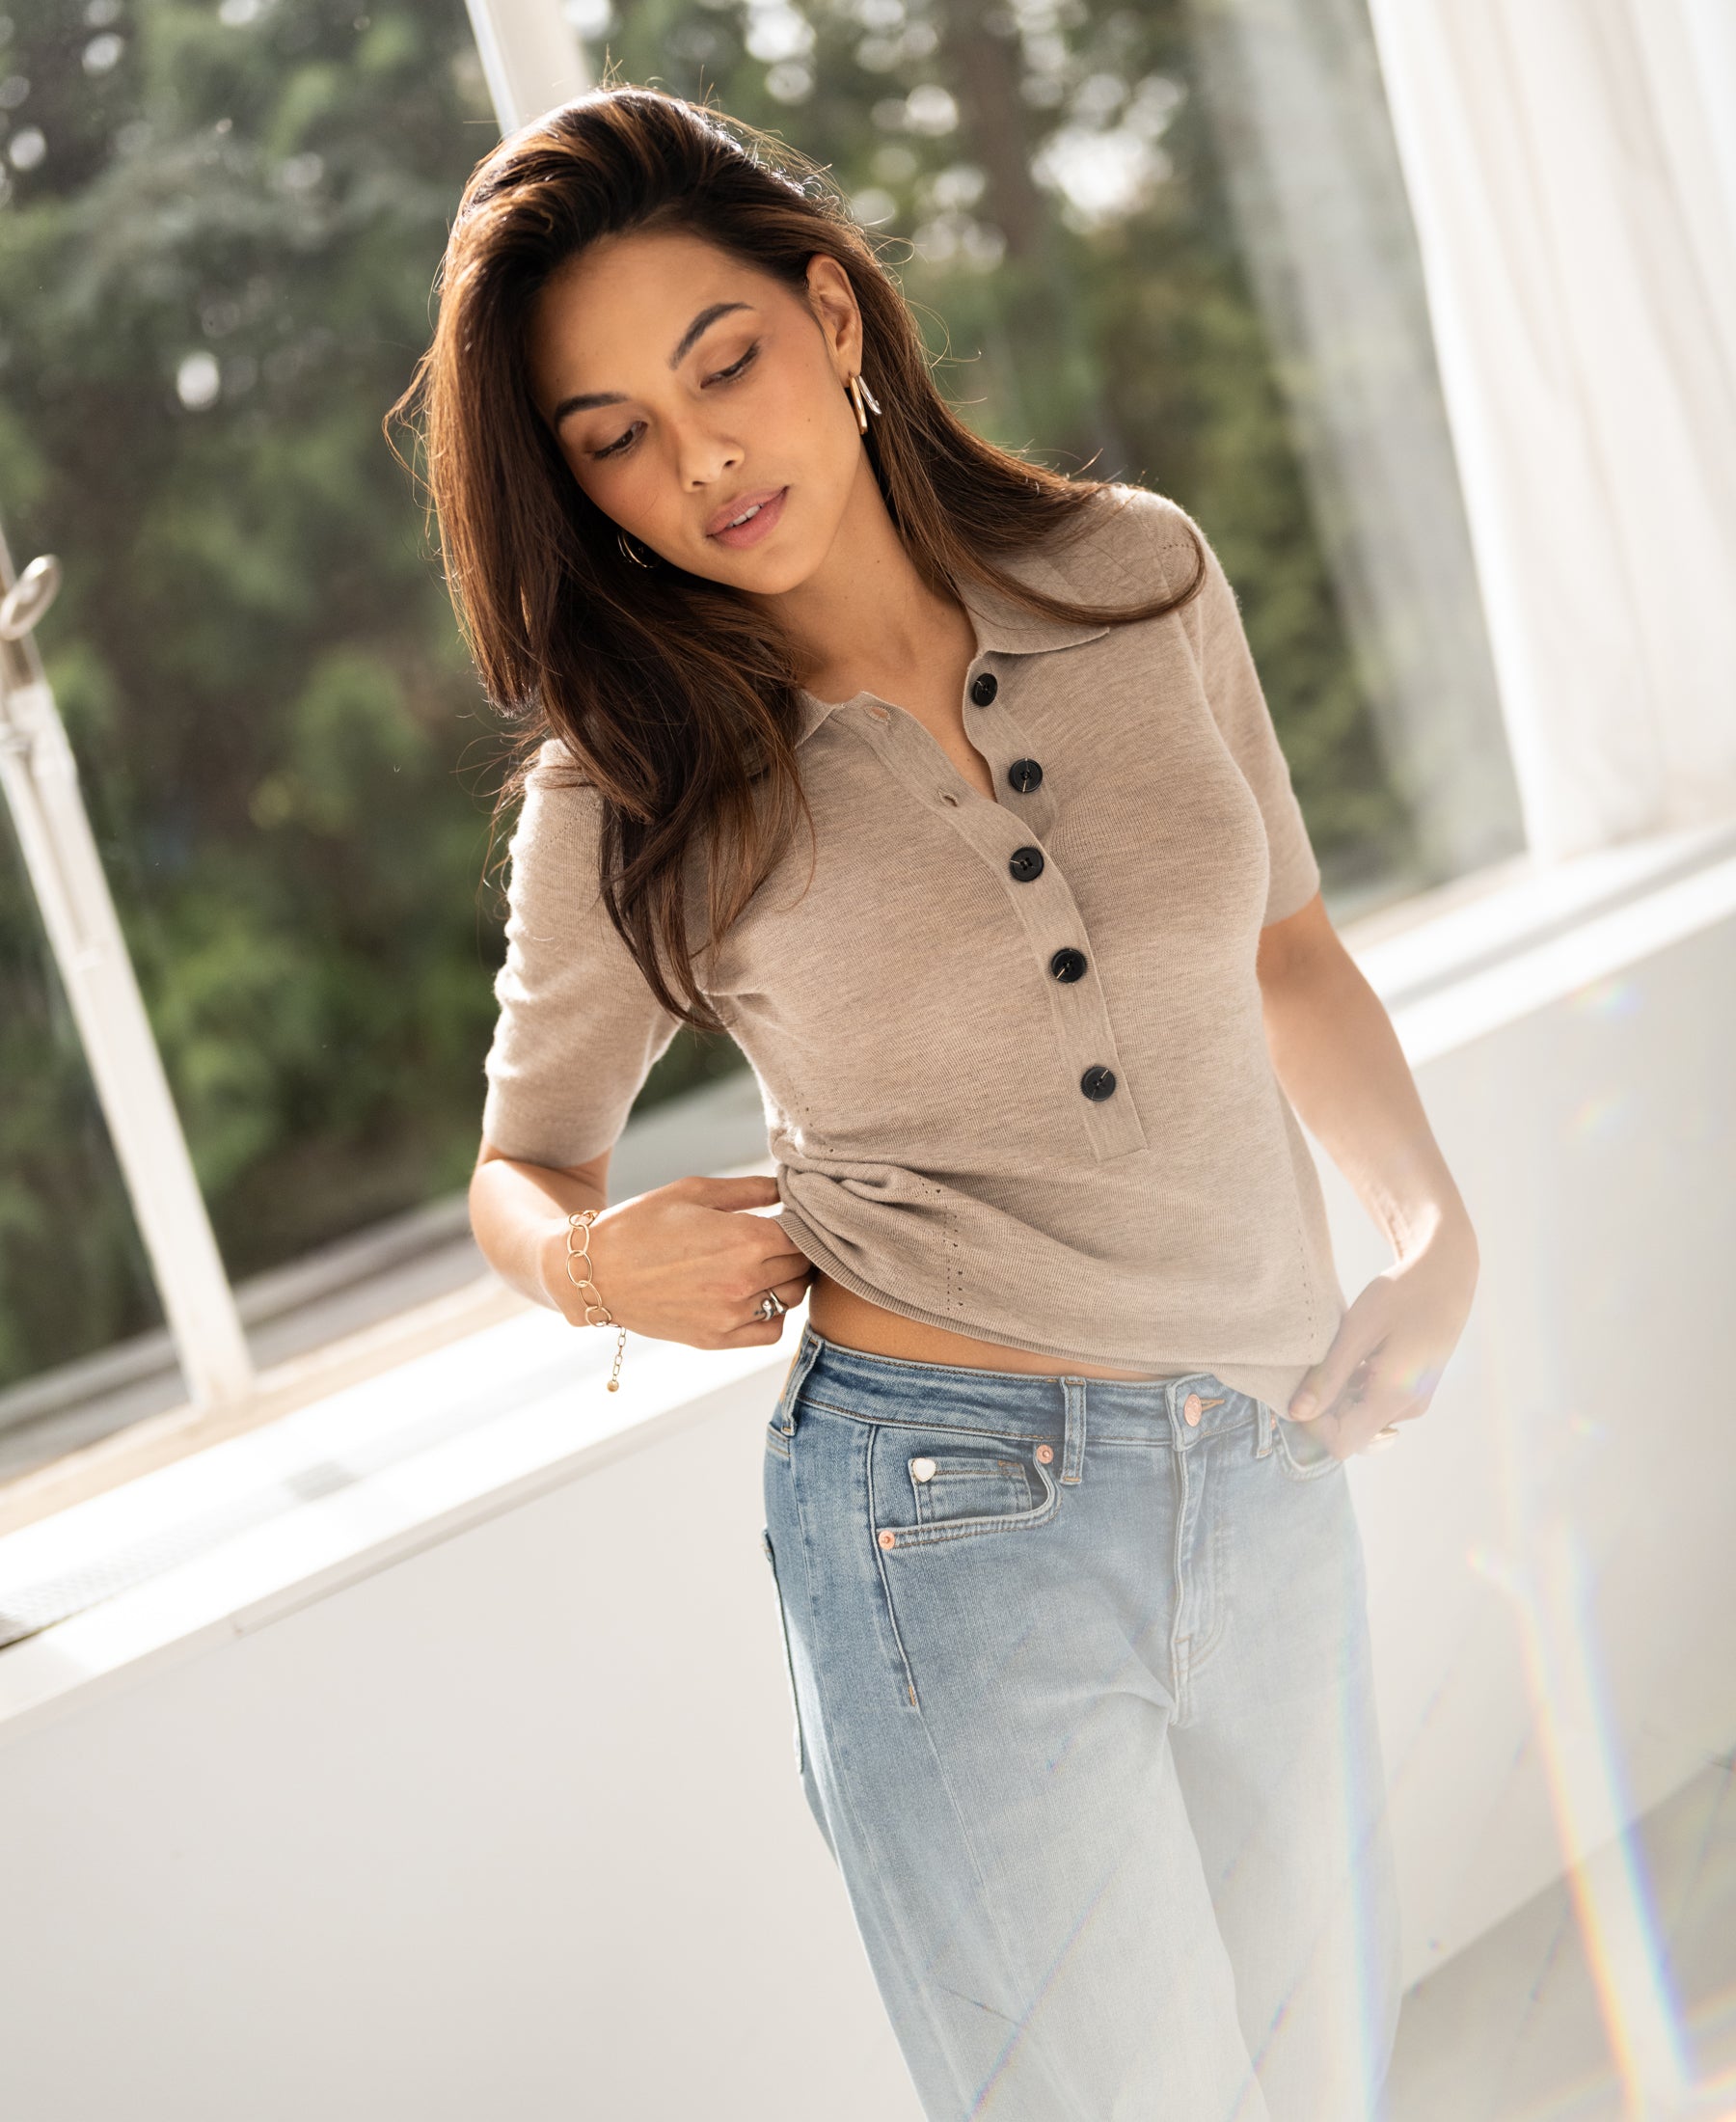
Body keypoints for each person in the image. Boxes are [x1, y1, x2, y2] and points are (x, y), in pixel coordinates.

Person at [391, 83, 1478, 2122]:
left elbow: (1292, 949)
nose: (698, 452)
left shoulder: (1136, 575)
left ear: (836, 319)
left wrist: (1432, 1227)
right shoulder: (628, 779)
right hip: (946, 1524)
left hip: (1268, 1455)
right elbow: (520, 1166)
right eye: (612, 432)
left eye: (724, 362)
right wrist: (593, 1269)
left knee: (1329, 2074)